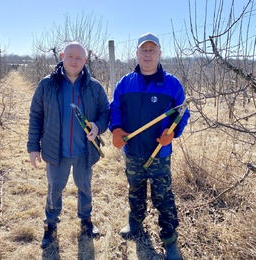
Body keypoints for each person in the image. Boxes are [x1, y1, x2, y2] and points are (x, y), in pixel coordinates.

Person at [109, 32, 189, 260]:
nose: (147, 54)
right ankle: (135, 224)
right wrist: (116, 129)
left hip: (159, 153)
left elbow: (183, 112)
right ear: (136, 54)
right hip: (133, 151)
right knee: (135, 190)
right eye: (143, 50)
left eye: (152, 50)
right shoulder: (125, 83)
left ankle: (170, 240)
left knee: (163, 196)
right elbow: (115, 109)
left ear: (159, 54)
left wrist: (172, 132)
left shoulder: (172, 84)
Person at [27, 42, 110, 249]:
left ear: (85, 60)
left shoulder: (95, 87)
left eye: (79, 58)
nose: (74, 61)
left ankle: (86, 221)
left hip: (84, 152)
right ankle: (51, 226)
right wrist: (33, 147)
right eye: (70, 56)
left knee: (85, 187)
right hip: (56, 151)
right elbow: (36, 116)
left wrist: (98, 127)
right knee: (55, 189)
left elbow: (105, 113)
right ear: (62, 56)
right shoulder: (47, 85)